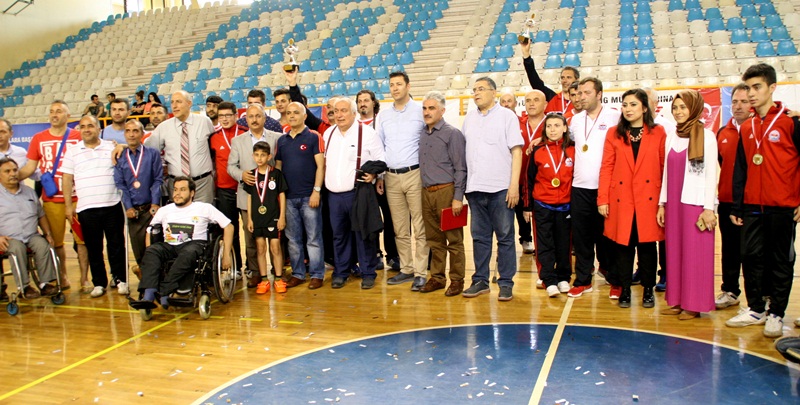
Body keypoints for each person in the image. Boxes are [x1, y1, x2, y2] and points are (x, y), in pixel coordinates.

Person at [728, 63, 800, 337]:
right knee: (750, 256)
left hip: (782, 206)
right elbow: (741, 169)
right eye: (748, 87)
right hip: (751, 206)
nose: (752, 93)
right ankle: (756, 308)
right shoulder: (747, 127)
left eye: (757, 87)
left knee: (780, 261)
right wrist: (737, 204)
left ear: (772, 88)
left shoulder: (790, 122)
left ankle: (777, 313)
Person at [598, 89, 666, 308]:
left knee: (647, 248)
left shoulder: (658, 132)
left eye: (633, 104)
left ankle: (648, 290)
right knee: (623, 247)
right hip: (622, 199)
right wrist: (603, 199)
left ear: (644, 108)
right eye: (625, 105)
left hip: (649, 199)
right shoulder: (613, 133)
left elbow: (664, 167)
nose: (628, 109)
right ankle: (625, 289)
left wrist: (664, 202)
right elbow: (606, 167)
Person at [657, 90, 718, 320]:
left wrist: (709, 208)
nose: (678, 112)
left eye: (683, 107)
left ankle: (694, 304)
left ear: (694, 108)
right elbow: (665, 173)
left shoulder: (707, 136)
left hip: (695, 204)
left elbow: (711, 175)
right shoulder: (671, 136)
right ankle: (678, 300)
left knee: (695, 254)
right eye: (675, 108)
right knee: (675, 252)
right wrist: (662, 203)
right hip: (673, 203)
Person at [461, 77, 522, 301]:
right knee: (479, 238)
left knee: (505, 237)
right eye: (474, 90)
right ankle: (480, 280)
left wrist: (513, 185)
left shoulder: (507, 117)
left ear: (493, 93)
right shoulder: (468, 120)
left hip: (500, 188)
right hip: (475, 189)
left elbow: (517, 151)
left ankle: (506, 282)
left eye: (481, 89)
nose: (476, 93)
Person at [18, 100, 88, 291]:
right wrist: (14, 177)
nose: (54, 115)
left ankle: (84, 279)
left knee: (83, 241)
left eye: (59, 111)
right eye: (51, 111)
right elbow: (30, 167)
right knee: (56, 242)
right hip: (51, 200)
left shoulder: (77, 136)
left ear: (67, 115)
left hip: (77, 198)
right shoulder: (38, 139)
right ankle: (62, 276)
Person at [135, 177, 233, 308]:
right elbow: (150, 230)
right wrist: (149, 251)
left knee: (188, 252)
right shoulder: (164, 210)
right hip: (169, 245)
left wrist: (226, 254)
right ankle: (149, 293)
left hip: (194, 244)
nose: (177, 193)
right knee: (152, 251)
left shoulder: (204, 208)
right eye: (175, 190)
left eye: (182, 190)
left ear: (192, 193)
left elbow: (228, 226)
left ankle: (164, 291)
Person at [565, 78, 621, 299]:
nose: (581, 97)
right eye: (579, 93)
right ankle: (583, 280)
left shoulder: (615, 116)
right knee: (581, 237)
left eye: (586, 93)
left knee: (609, 236)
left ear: (599, 94)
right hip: (580, 187)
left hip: (607, 188)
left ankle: (614, 278)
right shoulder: (575, 121)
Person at [61, 115, 127, 298]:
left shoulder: (110, 146)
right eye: (83, 126)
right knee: (93, 247)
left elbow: (131, 152)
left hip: (112, 204)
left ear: (99, 129)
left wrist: (121, 146)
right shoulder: (72, 151)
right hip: (86, 208)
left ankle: (120, 279)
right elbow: (66, 179)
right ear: (79, 130)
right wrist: (68, 206)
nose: (87, 129)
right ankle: (99, 282)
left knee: (116, 245)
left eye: (91, 125)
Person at [323, 97, 385, 289]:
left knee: (363, 234)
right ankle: (342, 271)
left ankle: (368, 272)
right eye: (335, 111)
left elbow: (381, 160)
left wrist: (374, 174)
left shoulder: (367, 133)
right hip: (333, 195)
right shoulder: (328, 134)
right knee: (339, 235)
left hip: (357, 194)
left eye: (343, 111)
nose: (339, 115)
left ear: (353, 113)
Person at [377, 71, 429, 291]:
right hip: (391, 176)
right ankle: (406, 269)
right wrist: (380, 175)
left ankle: (420, 272)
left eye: (399, 84)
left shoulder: (420, 110)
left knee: (420, 226)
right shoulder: (384, 115)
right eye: (391, 85)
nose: (395, 88)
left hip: (414, 174)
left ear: (408, 86)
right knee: (399, 228)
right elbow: (380, 146)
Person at [417, 91, 467, 296]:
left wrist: (458, 197)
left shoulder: (452, 133)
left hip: (446, 192)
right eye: (425, 108)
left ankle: (457, 280)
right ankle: (437, 277)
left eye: (432, 108)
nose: (427, 112)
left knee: (454, 239)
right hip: (426, 192)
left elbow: (461, 168)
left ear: (442, 110)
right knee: (434, 239)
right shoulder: (422, 132)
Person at [228, 104, 283, 287]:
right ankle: (256, 274)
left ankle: (278, 273)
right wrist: (241, 176)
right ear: (246, 119)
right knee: (251, 239)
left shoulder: (277, 138)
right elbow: (231, 167)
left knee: (276, 240)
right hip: (248, 197)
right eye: (250, 116)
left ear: (264, 118)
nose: (254, 119)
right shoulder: (238, 141)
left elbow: (280, 166)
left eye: (258, 116)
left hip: (272, 200)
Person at [523, 113, 575, 298]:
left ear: (565, 128)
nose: (552, 129)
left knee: (563, 244)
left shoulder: (573, 150)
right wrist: (527, 207)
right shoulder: (538, 151)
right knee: (544, 245)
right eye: (549, 126)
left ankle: (563, 278)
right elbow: (528, 181)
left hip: (566, 207)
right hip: (542, 206)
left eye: (556, 125)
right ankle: (548, 279)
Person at [275, 102, 325, 289]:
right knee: (293, 239)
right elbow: (278, 169)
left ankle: (317, 274)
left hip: (309, 197)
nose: (292, 116)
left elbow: (321, 166)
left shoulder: (314, 137)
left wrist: (316, 191)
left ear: (305, 116)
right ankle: (297, 274)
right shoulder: (282, 141)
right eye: (289, 113)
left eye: (296, 112)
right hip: (288, 198)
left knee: (313, 238)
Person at [0, 157, 58, 300]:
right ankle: (24, 287)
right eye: (7, 171)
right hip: (9, 238)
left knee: (43, 245)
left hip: (32, 235)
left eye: (14, 170)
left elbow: (41, 215)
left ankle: (45, 284)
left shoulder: (29, 192)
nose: (13, 174)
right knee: (17, 248)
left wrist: (47, 233)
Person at [143, 90, 216, 203]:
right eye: (172, 102)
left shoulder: (204, 122)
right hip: (176, 184)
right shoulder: (163, 127)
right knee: (180, 219)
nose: (174, 106)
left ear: (189, 103)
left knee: (205, 218)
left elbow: (214, 147)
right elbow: (147, 151)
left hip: (202, 184)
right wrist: (123, 147)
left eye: (178, 102)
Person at [714, 83, 750, 310]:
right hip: (727, 201)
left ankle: (761, 297)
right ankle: (730, 290)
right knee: (729, 250)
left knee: (754, 253)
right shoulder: (722, 132)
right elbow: (722, 163)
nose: (737, 106)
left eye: (744, 101)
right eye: (734, 101)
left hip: (753, 202)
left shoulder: (758, 130)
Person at [113, 119, 162, 280]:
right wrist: (128, 207)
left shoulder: (152, 153)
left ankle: (157, 278)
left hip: (150, 209)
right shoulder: (120, 157)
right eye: (128, 131)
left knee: (154, 246)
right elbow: (120, 184)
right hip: (133, 212)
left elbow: (157, 179)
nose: (132, 134)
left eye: (135, 131)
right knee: (138, 250)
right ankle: (145, 279)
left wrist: (155, 203)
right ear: (124, 134)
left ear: (142, 134)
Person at [357, 89, 399, 271]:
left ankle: (393, 255)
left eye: (366, 100)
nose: (363, 103)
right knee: (369, 218)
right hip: (364, 180)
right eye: (359, 101)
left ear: (374, 103)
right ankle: (374, 254)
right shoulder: (354, 125)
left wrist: (380, 175)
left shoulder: (382, 121)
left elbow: (385, 151)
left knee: (390, 218)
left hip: (383, 177)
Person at [244, 141, 288, 294]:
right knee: (260, 248)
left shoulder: (276, 174)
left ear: (269, 156)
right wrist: (249, 218)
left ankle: (278, 278)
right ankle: (263, 280)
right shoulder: (251, 175)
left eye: (263, 155)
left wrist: (282, 217)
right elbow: (249, 198)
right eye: (257, 155)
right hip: (257, 218)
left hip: (274, 216)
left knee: (275, 247)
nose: (260, 158)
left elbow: (282, 196)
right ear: (253, 156)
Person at [210, 101, 246, 280]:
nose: (224, 119)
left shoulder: (245, 134)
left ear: (236, 115)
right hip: (224, 190)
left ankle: (253, 268)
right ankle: (236, 267)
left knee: (251, 229)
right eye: (221, 116)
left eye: (228, 115)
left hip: (246, 188)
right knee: (230, 229)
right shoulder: (213, 137)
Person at [517, 90, 547, 255]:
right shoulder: (517, 123)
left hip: (543, 180)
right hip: (520, 177)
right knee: (522, 212)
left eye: (536, 100)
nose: (531, 103)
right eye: (528, 100)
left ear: (545, 104)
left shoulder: (551, 123)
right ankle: (525, 238)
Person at [520, 39, 579, 114]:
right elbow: (536, 83)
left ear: (577, 80)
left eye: (569, 77)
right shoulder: (553, 97)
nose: (565, 80)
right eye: (562, 78)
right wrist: (526, 56)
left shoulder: (582, 101)